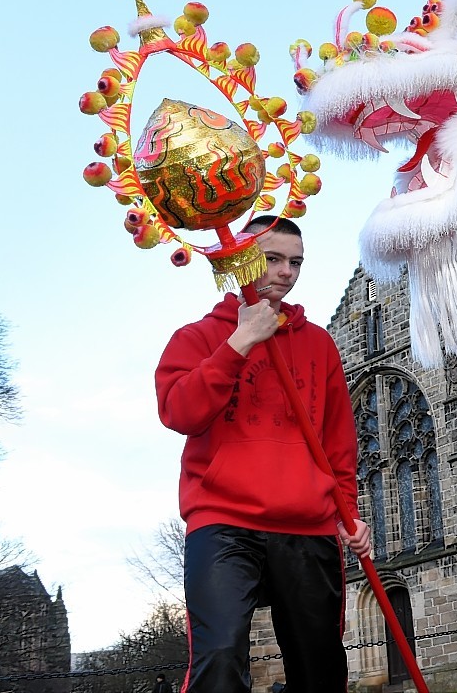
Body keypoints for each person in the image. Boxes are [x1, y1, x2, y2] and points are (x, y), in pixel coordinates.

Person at [155, 216, 370, 693]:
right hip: (223, 520)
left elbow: (339, 442)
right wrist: (238, 344)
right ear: (243, 258)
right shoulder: (197, 337)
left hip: (307, 524)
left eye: (295, 262)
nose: (286, 272)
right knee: (221, 655)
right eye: (272, 259)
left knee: (320, 670)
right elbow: (178, 412)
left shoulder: (319, 344)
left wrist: (348, 515)